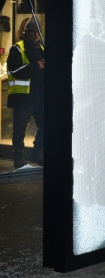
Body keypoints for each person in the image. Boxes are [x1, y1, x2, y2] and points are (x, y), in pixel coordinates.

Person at [7, 17, 45, 168]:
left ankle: (37, 152)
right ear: (26, 32)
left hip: (39, 97)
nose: (36, 33)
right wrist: (36, 66)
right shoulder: (17, 48)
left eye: (38, 31)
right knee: (20, 129)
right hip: (22, 97)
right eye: (32, 31)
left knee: (46, 125)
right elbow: (15, 70)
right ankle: (19, 158)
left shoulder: (42, 49)